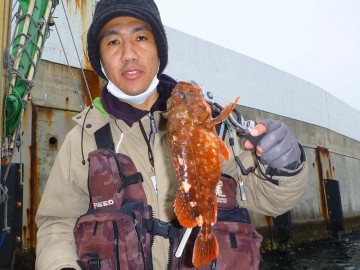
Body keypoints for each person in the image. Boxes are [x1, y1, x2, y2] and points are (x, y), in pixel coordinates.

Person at [35, 0, 308, 269]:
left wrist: (286, 165)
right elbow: (56, 224)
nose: (129, 53)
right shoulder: (83, 139)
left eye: (141, 37)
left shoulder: (216, 127)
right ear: (100, 59)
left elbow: (269, 198)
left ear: (159, 49)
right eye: (113, 42)